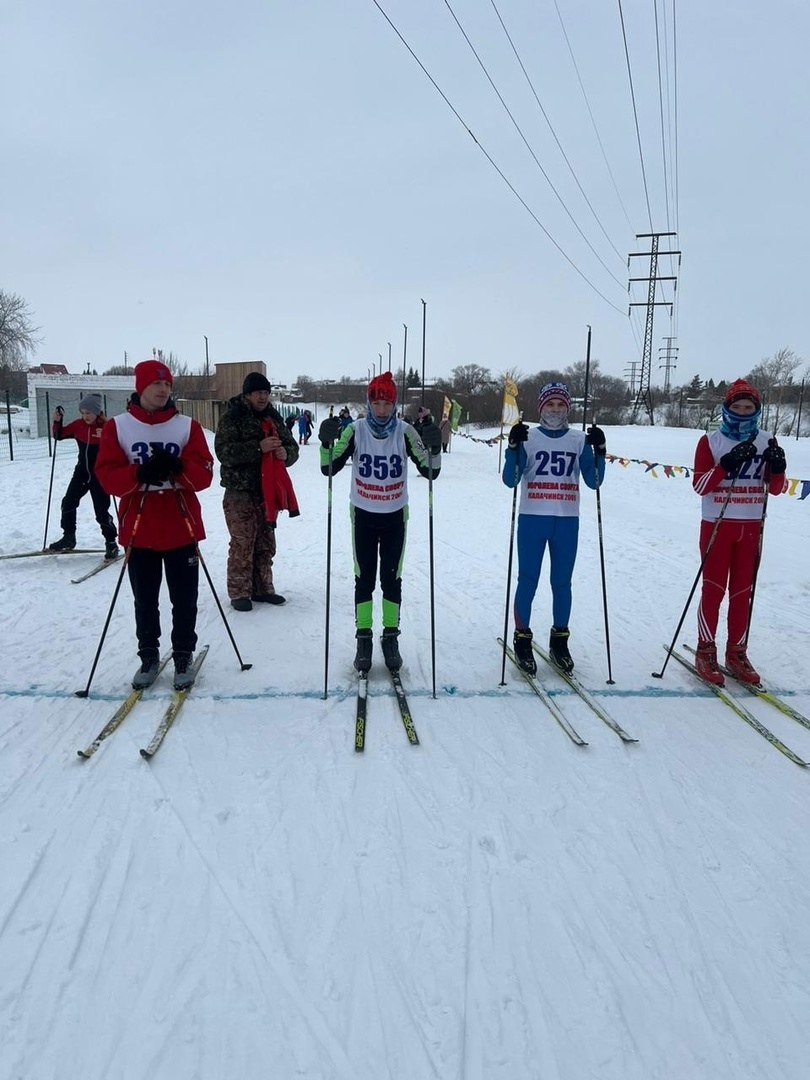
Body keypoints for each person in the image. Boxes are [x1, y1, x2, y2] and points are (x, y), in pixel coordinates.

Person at [95, 359, 214, 690]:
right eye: (155, 385)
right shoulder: (117, 427)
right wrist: (138, 474)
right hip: (140, 528)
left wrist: (178, 466)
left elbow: (204, 472)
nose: (163, 390)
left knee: (184, 598)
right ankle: (148, 655)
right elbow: (106, 475)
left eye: (167, 385)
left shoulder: (186, 426)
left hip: (180, 526)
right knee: (145, 599)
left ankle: (183, 655)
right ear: (140, 387)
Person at [318, 370, 441, 672]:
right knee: (364, 578)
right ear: (368, 403)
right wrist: (325, 440)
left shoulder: (405, 431)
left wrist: (435, 446)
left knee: (391, 579)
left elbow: (430, 471)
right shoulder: (357, 430)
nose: (382, 410)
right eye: (377, 403)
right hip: (363, 514)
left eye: (387, 403)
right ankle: (363, 638)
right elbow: (329, 467)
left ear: (394, 404)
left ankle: (390, 636)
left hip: (395, 516)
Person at [502, 382, 606, 676]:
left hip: (566, 520)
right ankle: (522, 639)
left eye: (561, 405)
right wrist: (513, 447)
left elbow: (594, 481)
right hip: (533, 517)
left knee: (562, 583)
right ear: (541, 407)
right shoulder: (529, 437)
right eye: (550, 405)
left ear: (568, 408)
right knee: (528, 580)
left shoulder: (577, 439)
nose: (556, 411)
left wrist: (598, 450)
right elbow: (510, 479)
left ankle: (560, 640)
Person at [691, 378, 787, 685]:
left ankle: (737, 651)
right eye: (737, 407)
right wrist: (726, 465)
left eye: (749, 408)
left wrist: (779, 467)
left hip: (751, 527)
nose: (743, 413)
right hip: (717, 525)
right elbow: (700, 485)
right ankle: (705, 649)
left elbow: (775, 489)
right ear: (726, 408)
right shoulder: (711, 441)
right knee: (714, 589)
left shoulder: (766, 440)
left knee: (743, 593)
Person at [214, 372, 300, 612]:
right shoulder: (233, 417)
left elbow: (291, 447)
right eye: (258, 393)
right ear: (247, 394)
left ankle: (262, 588)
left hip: (267, 491)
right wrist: (257, 448)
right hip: (240, 491)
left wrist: (286, 453)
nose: (263, 397)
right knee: (243, 542)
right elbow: (224, 452)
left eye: (266, 392)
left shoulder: (273, 417)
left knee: (265, 542)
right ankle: (240, 592)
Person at [47, 394, 119, 559]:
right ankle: (68, 538)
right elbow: (59, 435)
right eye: (83, 412)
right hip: (81, 473)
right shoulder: (78, 425)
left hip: (100, 475)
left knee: (101, 511)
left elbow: (119, 446)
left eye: (89, 413)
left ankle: (111, 543)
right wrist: (57, 421)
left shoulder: (107, 427)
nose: (85, 416)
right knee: (68, 503)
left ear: (97, 412)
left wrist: (107, 438)